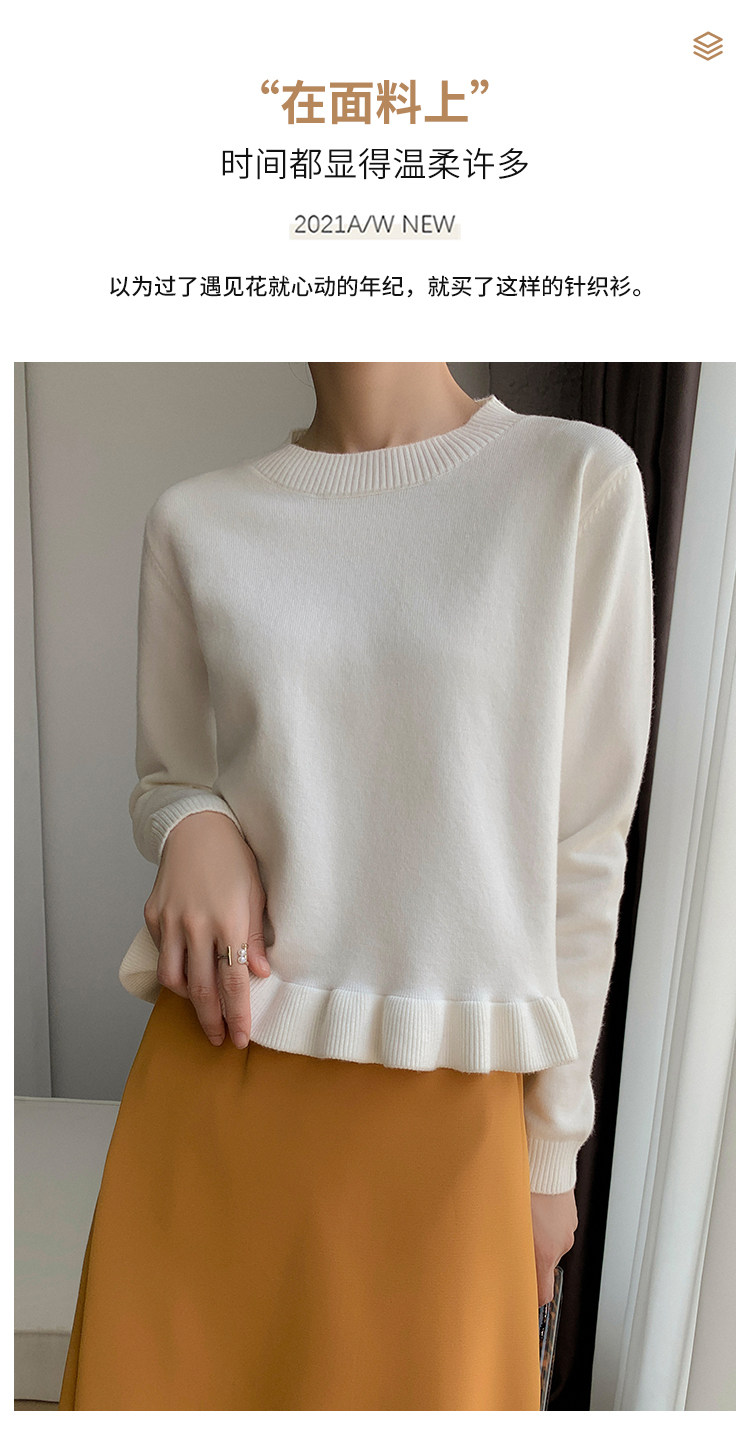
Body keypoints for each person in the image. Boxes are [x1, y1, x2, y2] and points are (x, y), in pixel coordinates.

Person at [58, 363, 655, 1410]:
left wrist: (550, 1161)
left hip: (451, 1134)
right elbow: (167, 777)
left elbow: (586, 851)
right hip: (216, 1084)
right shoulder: (197, 521)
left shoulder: (572, 481)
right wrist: (191, 823)